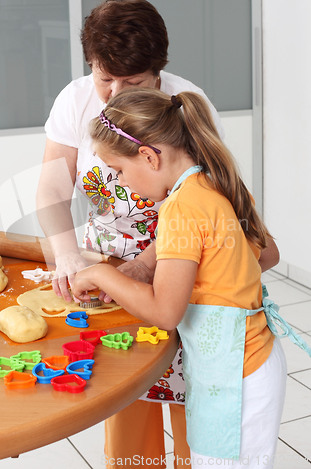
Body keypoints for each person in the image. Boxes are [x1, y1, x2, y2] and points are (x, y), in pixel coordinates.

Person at [36, 0, 225, 468]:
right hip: (109, 272)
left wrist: (147, 263)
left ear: (158, 72)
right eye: (105, 78)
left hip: (182, 270)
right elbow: (51, 188)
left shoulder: (187, 106)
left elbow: (206, 204)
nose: (115, 92)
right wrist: (67, 257)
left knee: (193, 408)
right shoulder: (75, 99)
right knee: (125, 395)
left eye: (133, 82)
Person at [70, 87, 288, 468]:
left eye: (119, 171)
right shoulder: (218, 181)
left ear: (150, 156)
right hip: (253, 361)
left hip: (235, 375)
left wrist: (102, 274)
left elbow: (165, 312)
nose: (121, 184)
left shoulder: (179, 208)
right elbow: (266, 254)